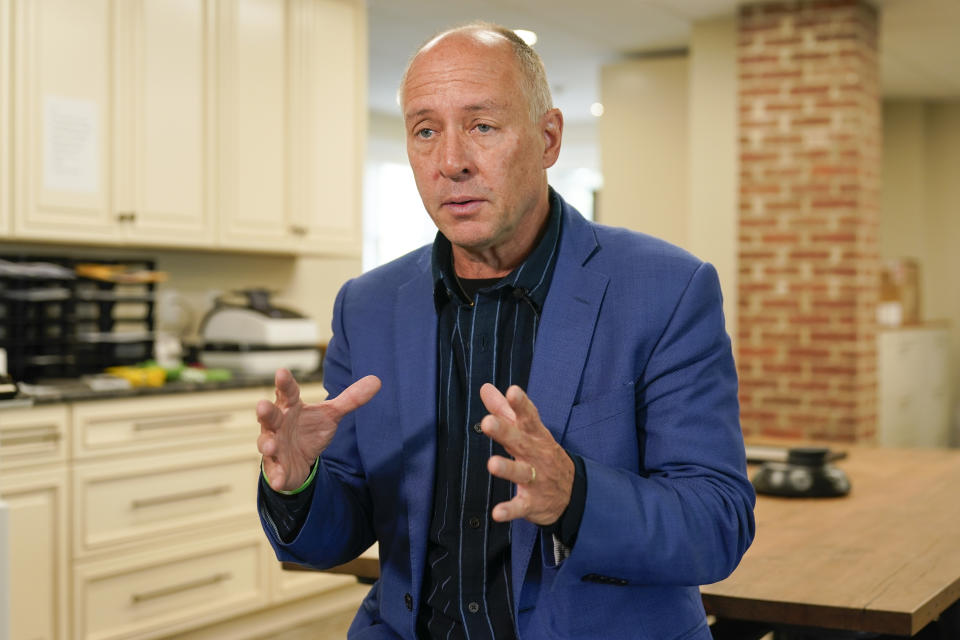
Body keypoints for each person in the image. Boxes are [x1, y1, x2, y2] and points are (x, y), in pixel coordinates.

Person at [256, 22, 755, 640]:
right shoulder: (367, 305)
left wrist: (575, 496)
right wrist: (302, 483)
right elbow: (340, 532)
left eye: (482, 126)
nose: (451, 162)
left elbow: (717, 523)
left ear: (548, 139)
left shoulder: (666, 290)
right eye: (425, 131)